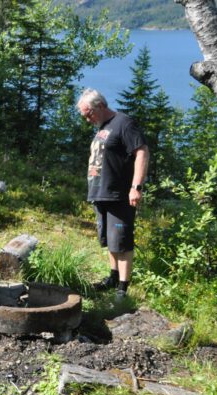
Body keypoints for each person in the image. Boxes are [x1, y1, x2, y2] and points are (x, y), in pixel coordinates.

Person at [77, 88, 149, 299]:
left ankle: (122, 289)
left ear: (100, 106)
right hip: (101, 192)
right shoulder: (104, 126)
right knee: (109, 239)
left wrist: (136, 187)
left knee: (122, 240)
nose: (88, 120)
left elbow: (142, 152)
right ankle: (112, 277)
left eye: (88, 114)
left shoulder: (124, 123)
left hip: (119, 193)